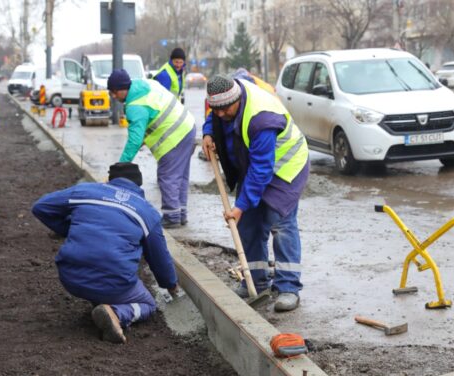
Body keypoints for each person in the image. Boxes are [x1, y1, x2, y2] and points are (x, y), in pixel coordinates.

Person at [31, 163, 179, 344]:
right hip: (112, 282)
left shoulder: (86, 191)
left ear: (110, 180)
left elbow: (40, 207)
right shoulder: (147, 212)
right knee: (148, 305)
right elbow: (159, 259)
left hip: (70, 276)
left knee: (101, 269)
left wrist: (70, 229)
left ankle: (102, 302)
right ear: (139, 185)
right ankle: (117, 313)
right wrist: (170, 285)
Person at [201, 75, 310, 312]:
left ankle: (289, 287)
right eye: (216, 109)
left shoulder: (261, 119)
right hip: (254, 165)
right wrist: (208, 133)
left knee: (280, 224)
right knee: (248, 224)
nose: (220, 114)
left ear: (236, 99)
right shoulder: (226, 101)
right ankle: (257, 282)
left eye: (224, 109)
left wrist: (239, 207)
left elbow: (262, 171)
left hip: (286, 167)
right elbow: (214, 117)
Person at [107, 69, 196, 228]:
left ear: (122, 89)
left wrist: (119, 167)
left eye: (114, 92)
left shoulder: (135, 107)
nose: (113, 96)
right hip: (188, 127)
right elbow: (151, 117)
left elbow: (134, 141)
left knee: (167, 176)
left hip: (174, 136)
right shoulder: (146, 84)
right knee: (180, 176)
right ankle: (180, 214)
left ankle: (171, 217)